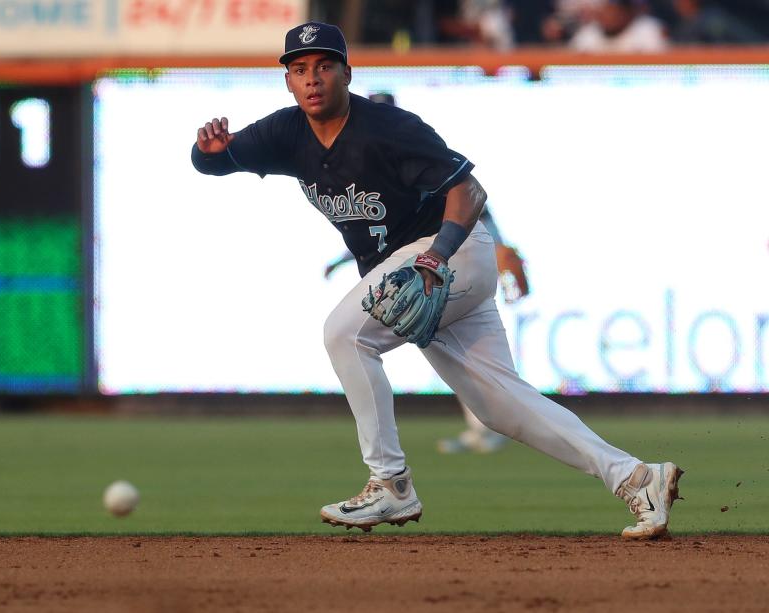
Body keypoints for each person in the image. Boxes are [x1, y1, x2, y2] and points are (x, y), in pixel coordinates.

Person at [191, 21, 683, 538]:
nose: (312, 78)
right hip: (418, 271)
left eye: (323, 66)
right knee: (501, 406)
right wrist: (208, 148)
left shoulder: (388, 127)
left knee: (343, 334)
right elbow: (213, 163)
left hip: (452, 256)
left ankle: (390, 484)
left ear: (346, 73)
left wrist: (437, 257)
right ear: (288, 81)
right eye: (299, 69)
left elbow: (469, 192)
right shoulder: (286, 132)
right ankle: (636, 478)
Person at [323, 92, 528, 455]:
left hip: (452, 264)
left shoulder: (413, 149)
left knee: (474, 363)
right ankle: (488, 426)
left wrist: (498, 249)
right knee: (465, 362)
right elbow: (376, 224)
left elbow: (472, 203)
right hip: (424, 268)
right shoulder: (377, 162)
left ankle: (492, 426)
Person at [569, 0, 668, 52]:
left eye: (615, 10)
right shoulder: (588, 33)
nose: (609, 15)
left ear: (627, 12)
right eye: (606, 9)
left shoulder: (648, 29)